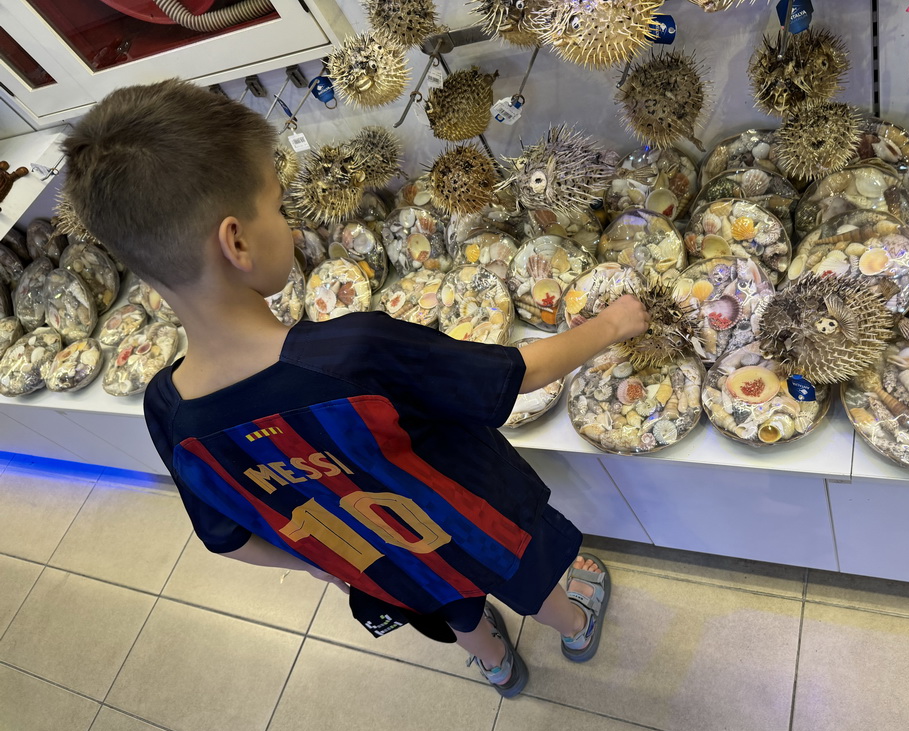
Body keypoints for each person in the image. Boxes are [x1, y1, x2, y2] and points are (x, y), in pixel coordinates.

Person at [61, 79, 650, 697]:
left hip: (379, 561)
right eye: (279, 205)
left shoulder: (169, 411)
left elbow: (229, 541)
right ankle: (574, 624)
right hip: (472, 519)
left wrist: (333, 566)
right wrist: (611, 323)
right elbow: (514, 376)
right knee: (523, 577)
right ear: (236, 241)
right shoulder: (352, 351)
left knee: (453, 608)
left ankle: (495, 664)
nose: (288, 223)